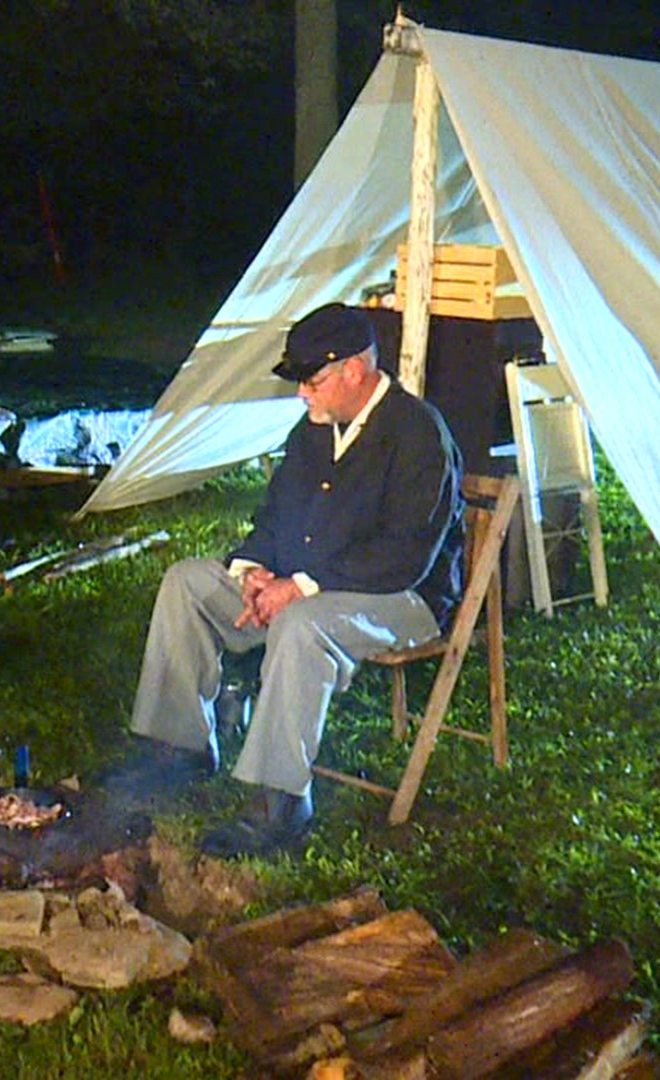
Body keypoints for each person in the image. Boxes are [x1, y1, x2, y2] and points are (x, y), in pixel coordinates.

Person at [105, 303, 465, 858]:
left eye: (312, 381)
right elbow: (275, 517)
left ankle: (283, 801)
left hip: (401, 597)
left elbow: (403, 555)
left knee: (300, 623)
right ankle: (179, 750)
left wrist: (298, 586)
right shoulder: (316, 430)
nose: (303, 394)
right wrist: (253, 572)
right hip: (315, 582)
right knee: (188, 583)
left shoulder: (417, 433)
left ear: (355, 370)